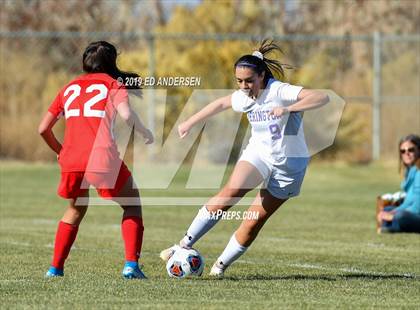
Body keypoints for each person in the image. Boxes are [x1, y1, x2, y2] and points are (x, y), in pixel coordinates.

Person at [160, 39, 329, 277]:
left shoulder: (279, 91)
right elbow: (220, 103)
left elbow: (322, 97)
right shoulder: (243, 95)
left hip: (289, 166)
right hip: (258, 154)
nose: (244, 86)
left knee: (252, 220)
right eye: (239, 81)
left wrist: (288, 108)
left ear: (262, 76)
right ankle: (184, 244)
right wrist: (190, 122)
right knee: (231, 190)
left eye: (249, 80)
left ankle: (219, 267)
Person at [38, 41, 153, 279]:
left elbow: (43, 129)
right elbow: (127, 115)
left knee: (75, 210)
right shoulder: (114, 84)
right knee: (132, 204)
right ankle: (131, 266)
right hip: (101, 158)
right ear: (112, 63)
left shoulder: (69, 87)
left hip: (71, 160)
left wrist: (60, 151)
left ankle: (55, 269)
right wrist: (144, 131)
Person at [377, 134, 420, 233]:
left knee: (400, 216)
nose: (407, 153)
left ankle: (392, 228)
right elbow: (409, 202)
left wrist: (394, 214)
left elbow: (418, 206)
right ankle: (388, 226)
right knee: (387, 209)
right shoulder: (411, 171)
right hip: (413, 213)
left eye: (411, 150)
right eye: (403, 151)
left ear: (419, 150)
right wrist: (390, 212)